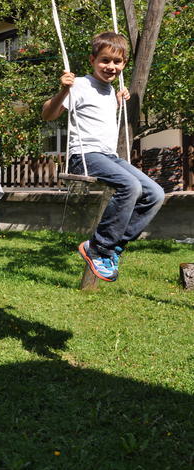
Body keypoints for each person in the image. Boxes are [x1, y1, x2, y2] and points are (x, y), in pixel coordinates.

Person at [42, 31, 165, 282]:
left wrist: (119, 100)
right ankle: (99, 248)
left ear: (123, 65)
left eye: (117, 62)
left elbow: (101, 115)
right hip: (84, 156)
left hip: (108, 156)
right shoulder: (79, 85)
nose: (111, 67)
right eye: (105, 60)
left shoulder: (112, 91)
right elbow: (48, 114)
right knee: (130, 186)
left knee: (155, 194)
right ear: (92, 60)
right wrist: (63, 91)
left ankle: (114, 247)